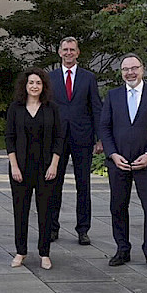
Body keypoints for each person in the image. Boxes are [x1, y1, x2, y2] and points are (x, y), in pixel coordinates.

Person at [100, 54, 147, 270]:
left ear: (142, 69)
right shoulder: (112, 96)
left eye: (134, 68)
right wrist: (112, 154)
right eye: (125, 69)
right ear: (121, 72)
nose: (130, 72)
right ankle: (122, 249)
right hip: (119, 162)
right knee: (118, 207)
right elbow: (104, 127)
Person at [5, 69, 64, 270]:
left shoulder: (52, 108)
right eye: (31, 82)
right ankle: (20, 251)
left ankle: (44, 253)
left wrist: (54, 164)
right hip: (19, 169)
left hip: (46, 169)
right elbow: (9, 139)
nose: (34, 86)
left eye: (38, 83)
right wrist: (14, 166)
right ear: (25, 85)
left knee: (45, 212)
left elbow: (59, 138)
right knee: (20, 212)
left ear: (43, 86)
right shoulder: (15, 108)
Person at [48, 37, 103, 245]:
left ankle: (83, 230)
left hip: (83, 138)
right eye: (65, 49)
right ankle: (53, 227)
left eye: (72, 49)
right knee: (54, 184)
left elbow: (96, 108)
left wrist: (100, 139)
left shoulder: (88, 78)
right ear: (59, 52)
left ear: (78, 53)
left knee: (83, 185)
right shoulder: (50, 78)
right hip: (57, 139)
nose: (69, 53)